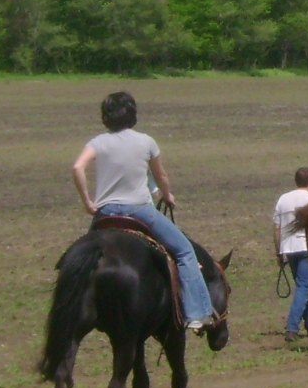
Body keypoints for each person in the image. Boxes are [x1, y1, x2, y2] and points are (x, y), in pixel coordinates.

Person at [72, 90, 216, 333]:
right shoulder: (146, 142)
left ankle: (76, 311)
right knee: (184, 251)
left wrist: (88, 202)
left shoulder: (96, 142)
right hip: (138, 210)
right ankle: (196, 314)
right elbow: (161, 176)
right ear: (132, 113)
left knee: (82, 261)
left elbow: (77, 167)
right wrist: (167, 195)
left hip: (105, 213)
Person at [272, 167, 308, 342]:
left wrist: (278, 252)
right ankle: (292, 327)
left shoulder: (283, 199)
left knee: (303, 285)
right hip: (307, 247)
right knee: (304, 286)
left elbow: (276, 229)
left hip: (288, 248)